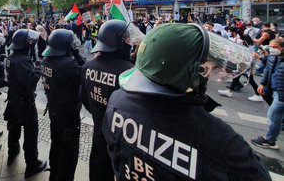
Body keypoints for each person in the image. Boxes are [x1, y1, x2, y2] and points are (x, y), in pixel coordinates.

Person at [103, 23, 271, 181]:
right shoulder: (222, 141)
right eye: (206, 69)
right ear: (190, 73)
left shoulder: (117, 100)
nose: (208, 76)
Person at [81, 20, 136, 181]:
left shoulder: (88, 66)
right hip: (123, 139)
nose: (130, 42)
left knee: (98, 169)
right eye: (127, 39)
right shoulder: (130, 72)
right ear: (118, 42)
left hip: (99, 130)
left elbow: (85, 100)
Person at [4, 29, 46, 178]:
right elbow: (30, 82)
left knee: (13, 129)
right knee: (30, 134)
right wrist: (38, 68)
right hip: (24, 103)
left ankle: (12, 152)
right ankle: (32, 165)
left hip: (13, 100)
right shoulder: (22, 60)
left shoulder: (11, 57)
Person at [41, 29, 82, 181]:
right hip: (68, 116)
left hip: (54, 110)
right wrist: (77, 54)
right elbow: (84, 73)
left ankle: (54, 175)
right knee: (69, 154)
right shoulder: (68, 64)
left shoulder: (46, 60)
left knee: (56, 145)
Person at [252, 38, 284, 149]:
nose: (272, 49)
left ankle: (270, 141)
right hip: (273, 90)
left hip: (281, 93)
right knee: (276, 115)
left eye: (275, 47)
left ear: (282, 48)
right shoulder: (272, 57)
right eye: (270, 47)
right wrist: (262, 84)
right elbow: (267, 71)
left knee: (273, 115)